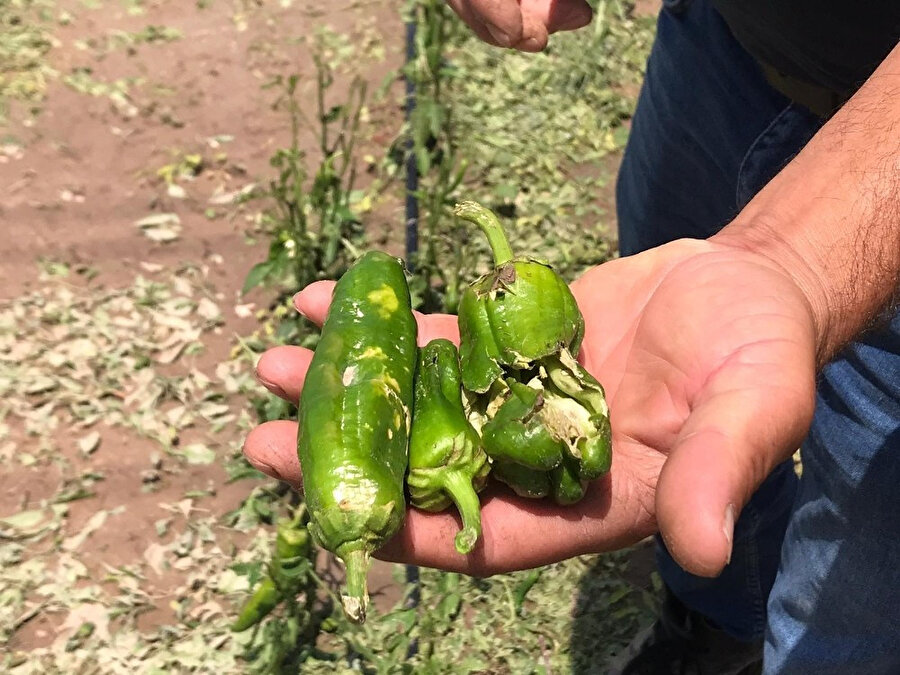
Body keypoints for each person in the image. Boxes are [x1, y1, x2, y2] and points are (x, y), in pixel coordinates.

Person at [243, 1, 900, 672]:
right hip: (728, 37)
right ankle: (723, 619)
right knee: (673, 352)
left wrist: (797, 254)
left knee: (858, 583)